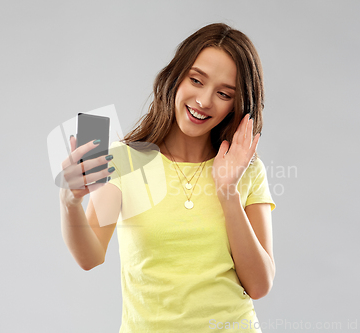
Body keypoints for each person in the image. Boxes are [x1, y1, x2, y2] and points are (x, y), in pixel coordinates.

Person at [59, 23, 276, 333]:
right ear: (175, 77)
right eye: (196, 80)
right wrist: (69, 202)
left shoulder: (247, 170)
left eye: (224, 93)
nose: (204, 100)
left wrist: (228, 192)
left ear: (236, 105)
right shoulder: (124, 161)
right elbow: (90, 257)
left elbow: (259, 284)